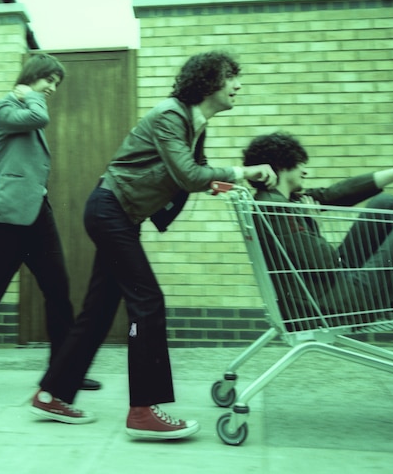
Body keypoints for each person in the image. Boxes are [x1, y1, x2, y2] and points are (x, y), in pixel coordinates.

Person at [31, 51, 276, 440]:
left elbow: (192, 174)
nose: (238, 85)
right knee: (147, 302)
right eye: (231, 77)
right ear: (209, 81)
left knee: (98, 310)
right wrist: (239, 171)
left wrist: (220, 182)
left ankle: (51, 393)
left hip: (120, 215)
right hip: (110, 209)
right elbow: (188, 172)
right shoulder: (170, 115)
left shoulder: (195, 125)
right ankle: (143, 410)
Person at [0, 54, 100, 393]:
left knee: (58, 290)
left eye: (56, 83)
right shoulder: (3, 108)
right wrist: (30, 94)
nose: (53, 88)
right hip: (9, 216)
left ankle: (65, 370)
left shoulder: (25, 107)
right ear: (32, 76)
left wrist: (33, 93)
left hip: (37, 212)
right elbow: (38, 117)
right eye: (49, 80)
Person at [241, 131, 393, 324]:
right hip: (329, 305)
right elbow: (324, 263)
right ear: (283, 165)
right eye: (300, 164)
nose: (305, 171)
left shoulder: (284, 200)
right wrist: (314, 224)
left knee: (386, 203)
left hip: (327, 288)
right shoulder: (275, 209)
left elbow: (338, 193)